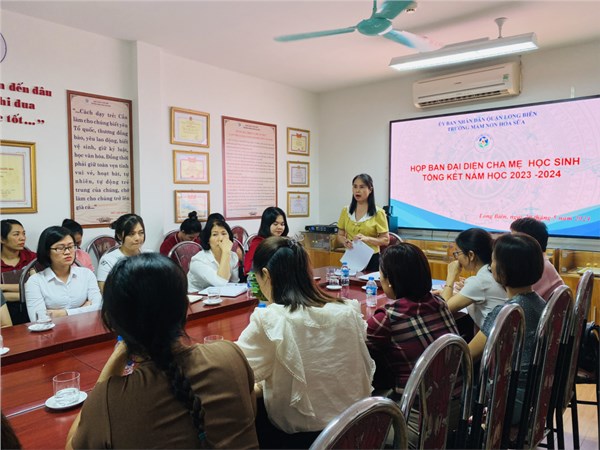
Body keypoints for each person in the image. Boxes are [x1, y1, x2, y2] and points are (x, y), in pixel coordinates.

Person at [65, 253, 259, 449]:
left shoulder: (108, 400)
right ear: (185, 309)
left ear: (112, 322)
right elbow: (250, 413)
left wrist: (120, 353)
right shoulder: (230, 356)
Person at [236, 237, 375, 449]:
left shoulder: (273, 320)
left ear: (266, 275)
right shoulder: (346, 310)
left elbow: (236, 371)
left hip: (304, 441)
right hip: (359, 431)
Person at [469, 233, 546, 424]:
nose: (490, 266)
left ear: (503, 270)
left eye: (493, 261)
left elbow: (468, 355)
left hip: (510, 404)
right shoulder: (541, 303)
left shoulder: (506, 313)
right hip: (539, 398)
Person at [366, 243, 459, 393]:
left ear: (390, 280)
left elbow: (358, 349)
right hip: (454, 395)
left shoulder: (387, 317)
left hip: (414, 402)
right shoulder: (440, 303)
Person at [25, 226, 102, 320]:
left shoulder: (86, 274)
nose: (67, 252)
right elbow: (38, 319)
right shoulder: (35, 281)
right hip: (52, 329)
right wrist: (84, 308)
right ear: (47, 251)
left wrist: (62, 313)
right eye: (60, 248)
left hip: (85, 326)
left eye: (71, 246)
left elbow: (99, 307)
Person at [441, 228, 507, 329]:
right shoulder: (492, 273)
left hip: (491, 336)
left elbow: (444, 309)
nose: (456, 257)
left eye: (457, 253)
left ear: (471, 255)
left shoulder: (479, 282)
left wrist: (451, 275)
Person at [337, 173, 389, 272]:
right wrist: (344, 241)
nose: (357, 190)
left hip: (372, 258)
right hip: (351, 257)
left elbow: (385, 240)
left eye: (362, 187)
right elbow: (340, 235)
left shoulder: (378, 213)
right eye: (355, 186)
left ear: (370, 189)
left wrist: (367, 239)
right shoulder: (346, 210)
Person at [510, 217, 564, 301]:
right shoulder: (539, 262)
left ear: (530, 243)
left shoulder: (536, 267)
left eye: (514, 241)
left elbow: (514, 299)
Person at [96, 214, 145, 292]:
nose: (137, 238)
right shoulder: (108, 260)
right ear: (119, 236)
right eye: (131, 234)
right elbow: (105, 291)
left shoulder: (149, 255)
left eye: (141, 233)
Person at [187, 218, 239, 292]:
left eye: (224, 234)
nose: (221, 238)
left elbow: (235, 283)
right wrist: (225, 252)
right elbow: (220, 283)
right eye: (215, 235)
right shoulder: (198, 260)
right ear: (208, 239)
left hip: (222, 294)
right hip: (197, 295)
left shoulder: (233, 256)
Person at [244, 206, 289, 275]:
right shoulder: (258, 242)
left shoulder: (285, 241)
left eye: (282, 224)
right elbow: (248, 269)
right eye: (275, 224)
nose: (280, 227)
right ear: (267, 225)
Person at [1, 219, 36, 301]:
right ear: (2, 239)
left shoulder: (33, 258)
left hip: (30, 306)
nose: (23, 238)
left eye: (24, 233)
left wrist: (2, 288)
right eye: (16, 234)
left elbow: (40, 288)